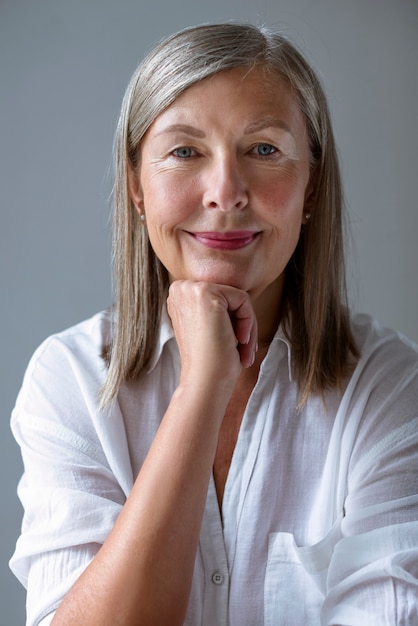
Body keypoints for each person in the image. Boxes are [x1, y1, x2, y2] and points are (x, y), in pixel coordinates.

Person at [9, 22, 418, 626]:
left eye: (264, 150)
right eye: (184, 152)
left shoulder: (391, 389)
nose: (226, 192)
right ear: (136, 188)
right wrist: (202, 388)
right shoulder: (67, 378)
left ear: (311, 187)